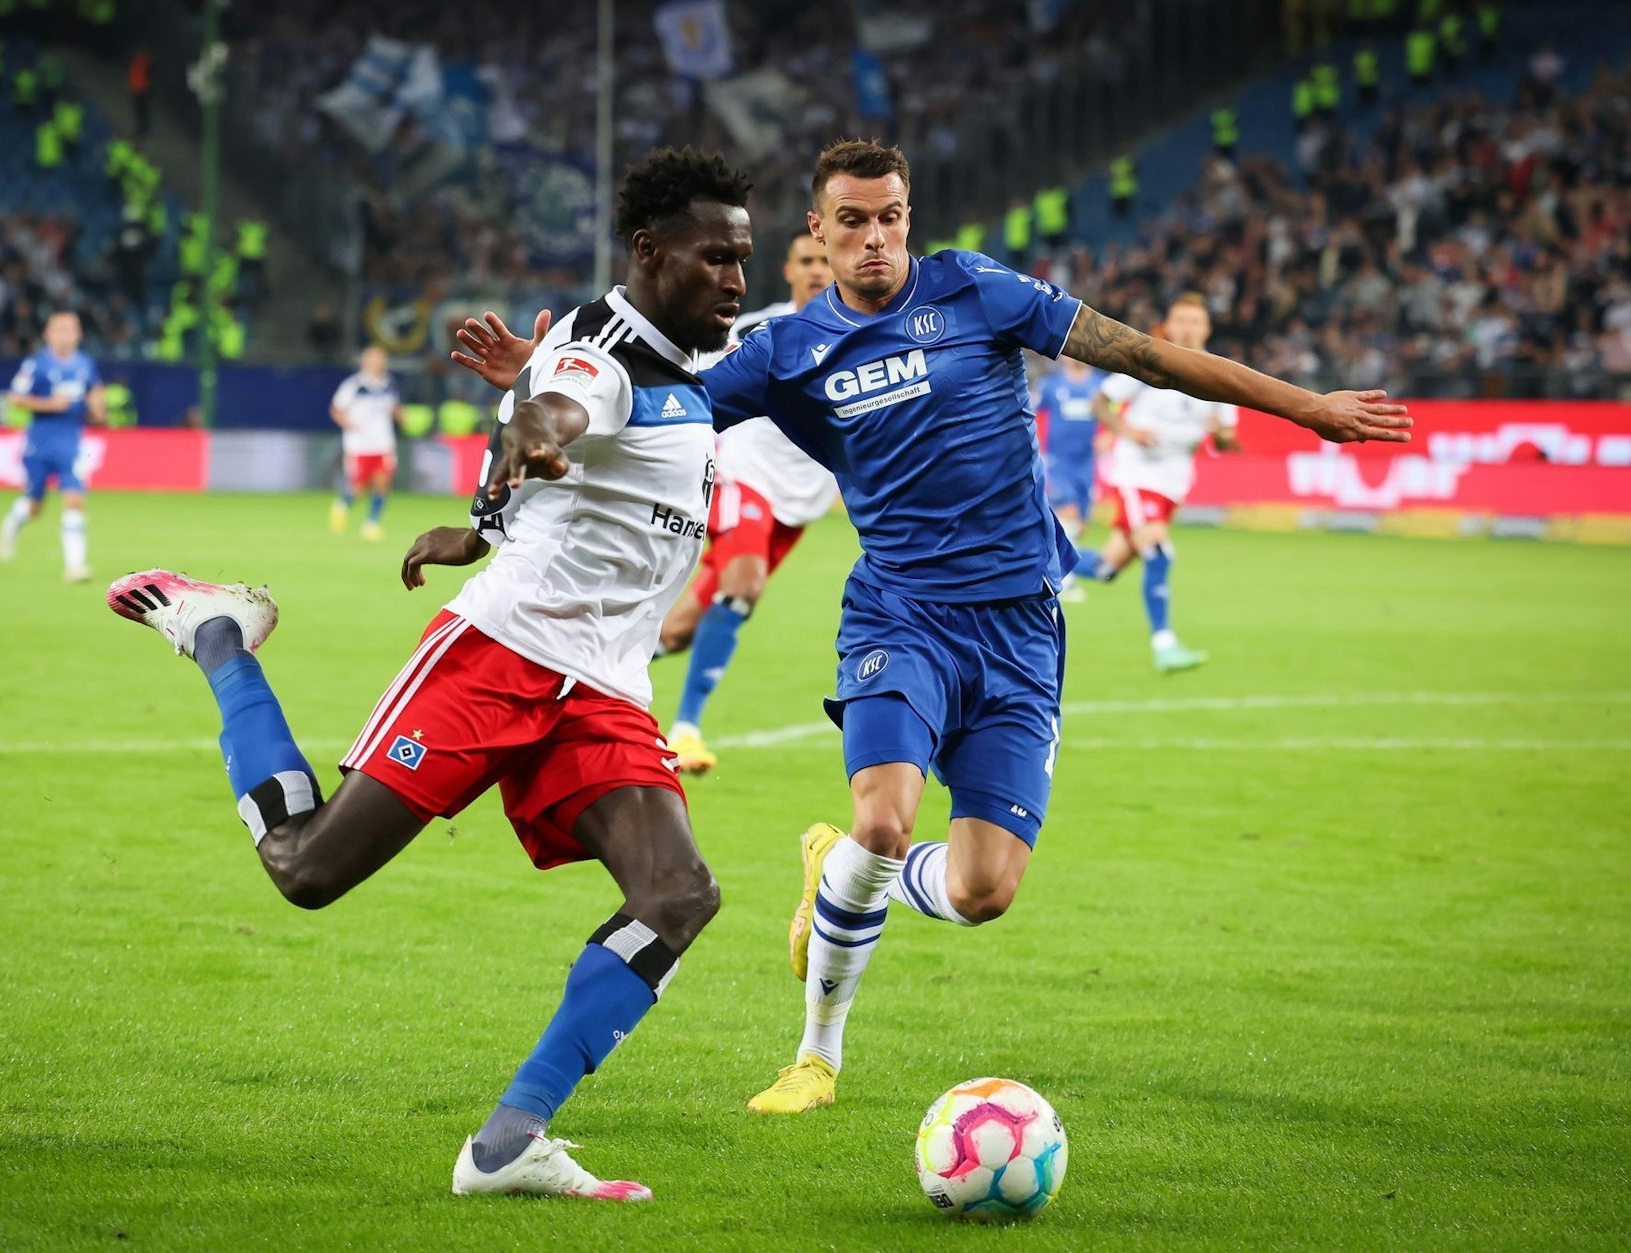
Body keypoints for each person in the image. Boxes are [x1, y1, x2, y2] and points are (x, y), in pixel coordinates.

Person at [442, 140, 1408, 1116]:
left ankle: (839, 869)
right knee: (884, 818)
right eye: (852, 220)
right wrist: (540, 393)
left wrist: (1306, 407)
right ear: (817, 229)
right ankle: (815, 1057)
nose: (874, 237)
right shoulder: (784, 352)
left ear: (909, 217)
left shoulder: (978, 292)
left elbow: (1146, 355)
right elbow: (649, 413)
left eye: (890, 217)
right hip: (899, 614)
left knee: (985, 890)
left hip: (1021, 626)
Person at [104, 148, 753, 1200]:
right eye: (715, 257)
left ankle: (508, 1142)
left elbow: (557, 425)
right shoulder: (602, 355)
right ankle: (216, 632)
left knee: (678, 894)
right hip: (500, 656)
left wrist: (488, 510)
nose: (734, 278)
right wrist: (530, 428)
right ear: (649, 251)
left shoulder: (669, 363)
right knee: (305, 868)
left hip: (602, 688)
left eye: (742, 258)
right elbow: (559, 413)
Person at [657, 226, 837, 775]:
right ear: (789, 271)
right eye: (806, 260)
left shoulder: (868, 337)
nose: (816, 269)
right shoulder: (760, 330)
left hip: (798, 505)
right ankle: (685, 730)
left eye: (824, 261)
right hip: (741, 477)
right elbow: (696, 385)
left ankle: (573, 678)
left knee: (679, 631)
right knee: (744, 584)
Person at [1069, 294, 1238, 673]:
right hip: (1136, 474)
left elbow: (1230, 441)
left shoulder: (1221, 375)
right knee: (1159, 552)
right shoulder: (1150, 361)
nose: (1187, 328)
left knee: (1106, 568)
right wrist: (1127, 430)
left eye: (1195, 321)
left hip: (1173, 485)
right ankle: (1164, 645)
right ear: (1169, 324)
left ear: (1207, 328)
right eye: (1181, 320)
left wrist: (1220, 434)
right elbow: (1099, 402)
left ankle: (1041, 559)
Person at [0, 310, 105, 582]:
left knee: (74, 500)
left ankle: (75, 566)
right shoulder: (37, 364)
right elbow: (16, 397)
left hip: (71, 443)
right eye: (60, 329)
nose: (65, 334)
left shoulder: (85, 364)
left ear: (79, 334)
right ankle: (12, 523)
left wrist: (97, 408)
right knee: (35, 506)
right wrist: (49, 404)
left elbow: (94, 390)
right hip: (40, 443)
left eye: (71, 329)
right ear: (48, 334)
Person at [1032, 355, 1107, 550]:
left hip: (1087, 460)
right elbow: (1030, 412)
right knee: (1067, 510)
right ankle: (1061, 566)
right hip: (1058, 460)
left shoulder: (1102, 385)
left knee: (1080, 523)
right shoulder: (1050, 384)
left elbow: (1115, 415)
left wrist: (1108, 436)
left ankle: (1063, 560)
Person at [328, 345, 402, 541]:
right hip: (360, 444)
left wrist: (402, 415)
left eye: (380, 359)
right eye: (373, 359)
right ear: (365, 362)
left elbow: (392, 407)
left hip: (383, 443)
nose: (377, 363)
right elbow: (336, 410)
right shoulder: (353, 385)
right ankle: (342, 505)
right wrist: (348, 424)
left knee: (383, 482)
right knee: (359, 486)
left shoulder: (389, 384)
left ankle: (371, 523)